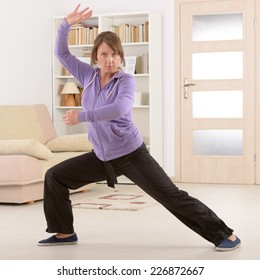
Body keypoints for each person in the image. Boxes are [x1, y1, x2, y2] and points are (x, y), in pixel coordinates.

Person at [38, 4, 241, 251]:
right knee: (55, 176)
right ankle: (64, 232)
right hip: (102, 156)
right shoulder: (88, 76)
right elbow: (62, 54)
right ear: (95, 58)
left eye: (115, 54)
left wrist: (82, 116)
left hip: (130, 154)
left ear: (120, 57)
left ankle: (224, 234)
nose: (110, 60)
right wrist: (66, 24)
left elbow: (119, 109)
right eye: (104, 54)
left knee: (171, 196)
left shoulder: (126, 80)